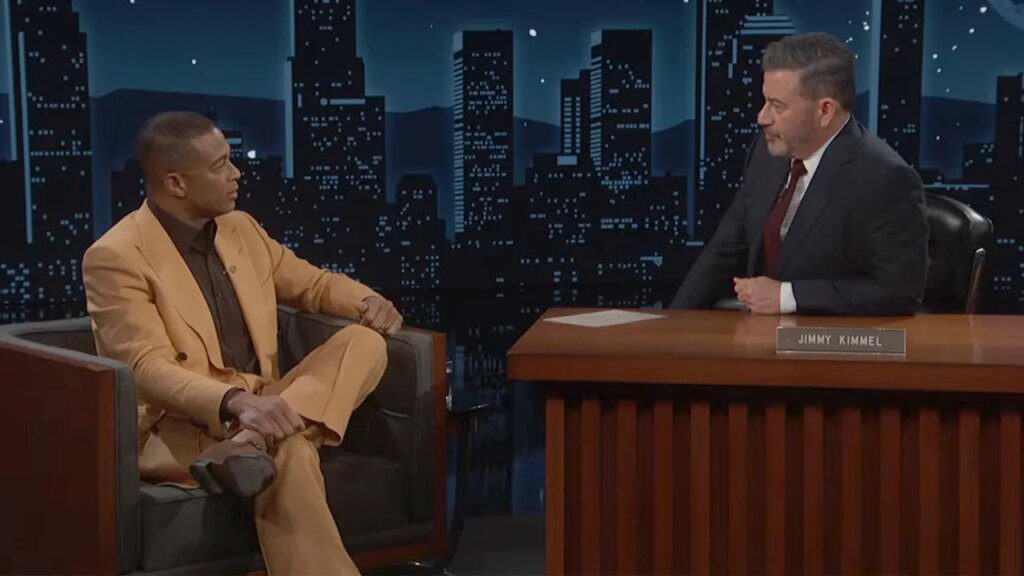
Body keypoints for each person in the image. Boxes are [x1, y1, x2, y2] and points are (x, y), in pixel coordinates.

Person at [83, 111, 402, 575]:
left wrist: (369, 301)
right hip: (188, 425)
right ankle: (256, 438)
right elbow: (145, 368)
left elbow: (313, 284)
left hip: (268, 404)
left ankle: (250, 443)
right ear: (176, 183)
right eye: (221, 165)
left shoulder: (241, 229)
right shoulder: (115, 257)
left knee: (364, 341)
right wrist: (234, 402)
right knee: (291, 451)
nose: (237, 174)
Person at [671, 32, 929, 315]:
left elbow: (898, 291)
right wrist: (672, 323)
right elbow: (723, 252)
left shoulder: (885, 179)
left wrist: (787, 296)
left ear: (825, 111)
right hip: (758, 332)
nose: (762, 117)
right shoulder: (767, 153)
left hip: (827, 337)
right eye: (765, 101)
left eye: (777, 106)